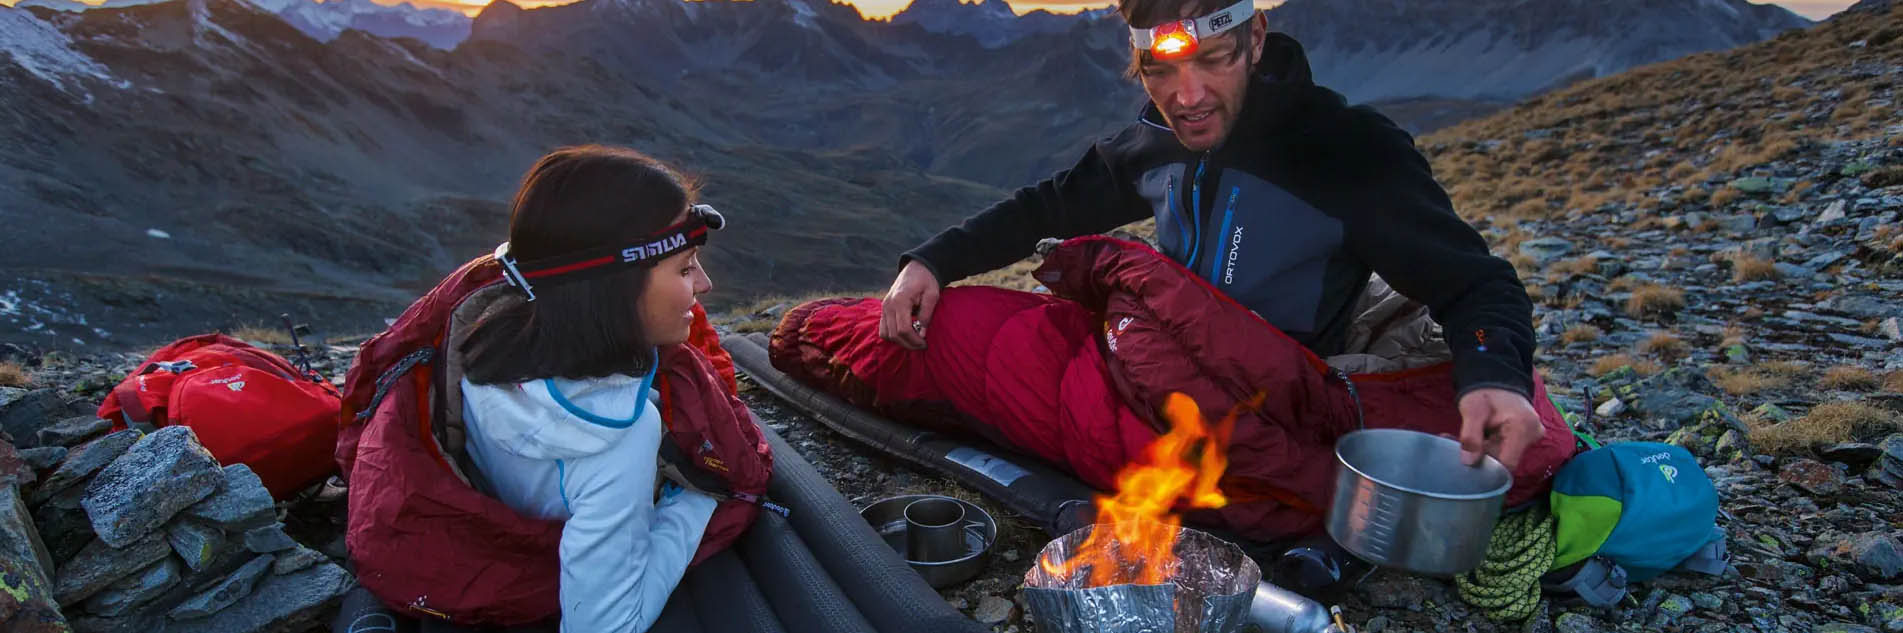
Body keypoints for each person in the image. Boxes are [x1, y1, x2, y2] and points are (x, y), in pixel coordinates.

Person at [876, 0, 1546, 472]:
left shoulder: (1346, 150)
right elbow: (1043, 208)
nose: (1186, 96)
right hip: (1157, 354)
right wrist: (932, 262)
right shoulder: (1154, 143)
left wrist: (1494, 376)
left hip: (1276, 387)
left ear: (1254, 38)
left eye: (1212, 60)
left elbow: (1475, 284)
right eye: (1160, 71)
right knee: (950, 326)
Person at [334, 145, 770, 633]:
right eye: (686, 268)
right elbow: (607, 624)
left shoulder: (479, 339)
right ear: (615, 288)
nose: (705, 284)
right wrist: (695, 504)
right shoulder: (621, 440)